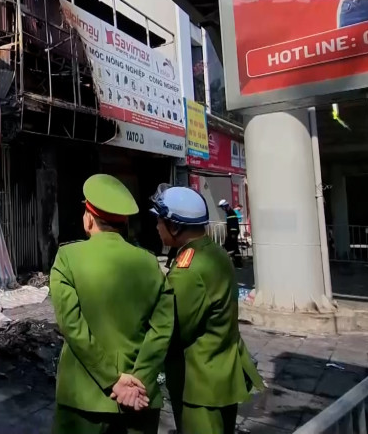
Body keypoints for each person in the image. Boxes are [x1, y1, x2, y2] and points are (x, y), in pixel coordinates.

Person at [50, 174, 175, 434]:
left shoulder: (67, 258)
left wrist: (112, 381)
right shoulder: (150, 263)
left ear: (88, 218)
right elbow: (163, 329)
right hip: (139, 398)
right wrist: (138, 378)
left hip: (83, 398)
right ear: (124, 222)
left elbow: (72, 326)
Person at [150, 186, 264, 434]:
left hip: (199, 384)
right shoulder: (215, 253)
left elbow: (173, 328)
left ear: (176, 226)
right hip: (221, 374)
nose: (157, 226)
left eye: (160, 220)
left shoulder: (189, 270)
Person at [218, 200, 242, 268]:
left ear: (225, 206)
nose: (222, 209)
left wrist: (233, 234)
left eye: (222, 207)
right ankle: (237, 262)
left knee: (230, 247)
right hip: (232, 234)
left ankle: (237, 263)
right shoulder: (229, 212)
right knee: (232, 247)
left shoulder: (231, 213)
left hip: (232, 234)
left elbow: (233, 224)